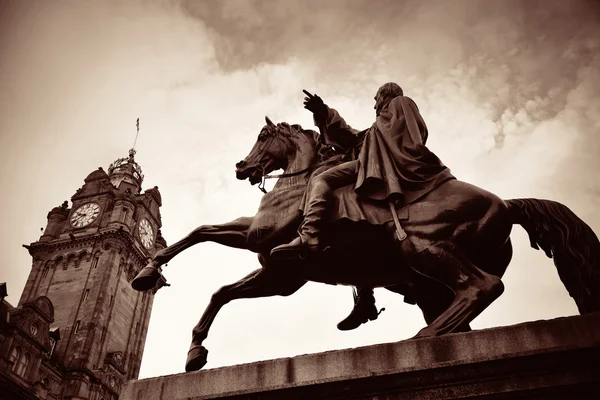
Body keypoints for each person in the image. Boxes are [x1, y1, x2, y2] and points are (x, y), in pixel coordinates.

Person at [271, 82, 456, 330]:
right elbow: (347, 133)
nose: (375, 104)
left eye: (376, 99)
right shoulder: (375, 131)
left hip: (375, 169)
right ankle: (365, 299)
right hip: (370, 170)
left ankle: (309, 234)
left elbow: (402, 140)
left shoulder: (396, 108)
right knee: (352, 226)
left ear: (385, 96)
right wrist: (322, 111)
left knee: (322, 179)